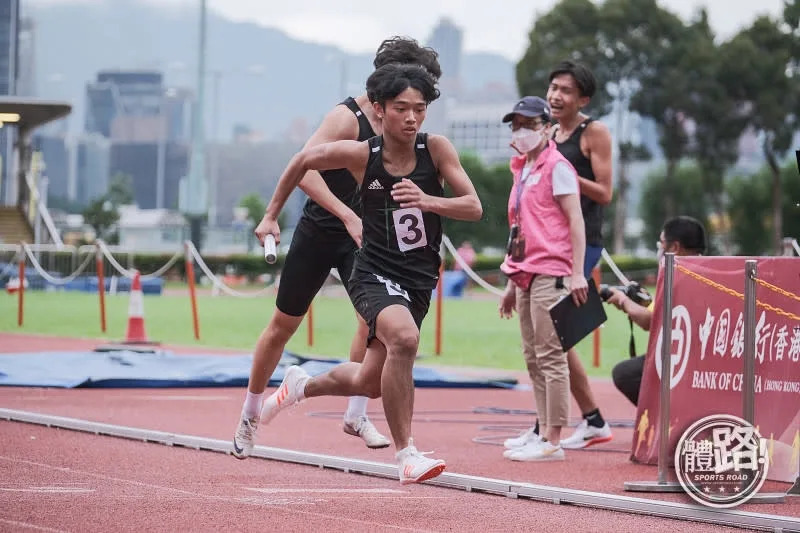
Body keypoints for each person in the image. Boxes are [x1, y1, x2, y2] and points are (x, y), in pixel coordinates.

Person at [255, 63, 482, 484]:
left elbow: (473, 206)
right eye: (401, 109)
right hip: (372, 272)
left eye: (419, 109)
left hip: (417, 281)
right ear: (379, 110)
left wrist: (429, 201)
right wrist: (270, 216)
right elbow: (303, 160)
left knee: (368, 381)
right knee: (406, 339)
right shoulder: (363, 155)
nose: (411, 118)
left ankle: (300, 385)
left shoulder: (437, 150)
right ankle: (407, 455)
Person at [232, 37, 442, 459]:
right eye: (408, 94)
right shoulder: (346, 119)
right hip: (323, 228)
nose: (415, 106)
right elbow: (303, 169)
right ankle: (250, 413)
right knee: (283, 324)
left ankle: (356, 412)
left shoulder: (408, 126)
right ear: (387, 83)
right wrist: (344, 214)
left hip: (365, 239)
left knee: (376, 322)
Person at [497, 95, 588, 462]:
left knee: (550, 355)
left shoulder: (557, 167)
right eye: (516, 125)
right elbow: (520, 228)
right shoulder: (522, 168)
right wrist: (509, 281)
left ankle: (553, 438)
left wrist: (577, 272)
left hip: (551, 270)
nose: (521, 132)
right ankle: (541, 429)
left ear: (548, 128)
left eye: (530, 125)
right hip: (525, 273)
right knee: (533, 356)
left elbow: (575, 220)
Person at [548, 60, 615, 450]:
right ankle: (589, 419)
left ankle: (573, 422)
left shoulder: (595, 132)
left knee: (556, 332)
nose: (556, 95)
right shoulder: (548, 132)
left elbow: (605, 193)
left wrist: (564, 173)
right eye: (553, 87)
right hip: (547, 243)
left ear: (583, 98)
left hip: (582, 242)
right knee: (554, 334)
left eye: (566, 90)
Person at [610, 216, 707, 405]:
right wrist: (645, 302)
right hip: (704, 360)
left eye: (661, 243)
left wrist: (622, 301)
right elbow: (662, 313)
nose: (659, 249)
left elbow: (648, 322)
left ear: (674, 247)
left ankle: (663, 420)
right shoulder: (707, 271)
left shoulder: (676, 273)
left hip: (684, 361)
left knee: (624, 374)